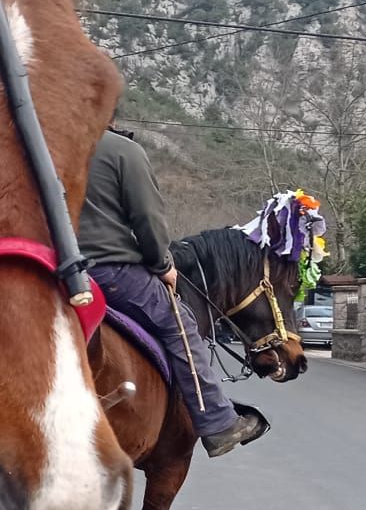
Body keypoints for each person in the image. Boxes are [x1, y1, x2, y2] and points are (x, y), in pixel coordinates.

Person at [79, 128, 265, 457]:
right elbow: (148, 219)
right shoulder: (122, 150)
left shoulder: (43, 143)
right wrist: (163, 264)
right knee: (180, 322)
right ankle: (219, 423)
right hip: (111, 271)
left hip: (48, 270)